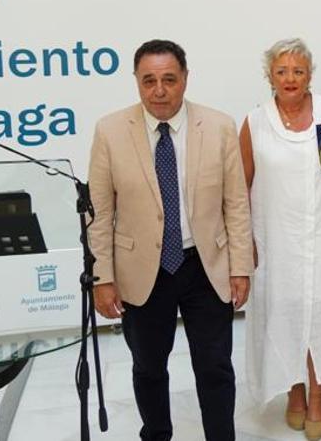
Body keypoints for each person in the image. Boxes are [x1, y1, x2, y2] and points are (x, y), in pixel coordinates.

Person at [89, 39, 252, 441]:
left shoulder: (218, 126)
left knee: (215, 365)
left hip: (204, 265)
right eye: (148, 81)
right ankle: (157, 434)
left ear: (184, 79)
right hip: (142, 270)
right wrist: (102, 277)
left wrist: (240, 267)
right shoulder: (110, 131)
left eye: (168, 80)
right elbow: (100, 214)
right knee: (148, 366)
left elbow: (236, 204)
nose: (159, 90)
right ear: (136, 82)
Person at [241, 38, 321, 441]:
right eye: (282, 71)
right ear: (270, 75)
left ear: (310, 76)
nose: (290, 78)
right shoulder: (254, 122)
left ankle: (319, 394)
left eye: (298, 71)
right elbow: (241, 187)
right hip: (274, 239)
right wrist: (244, 243)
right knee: (284, 313)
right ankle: (294, 391)